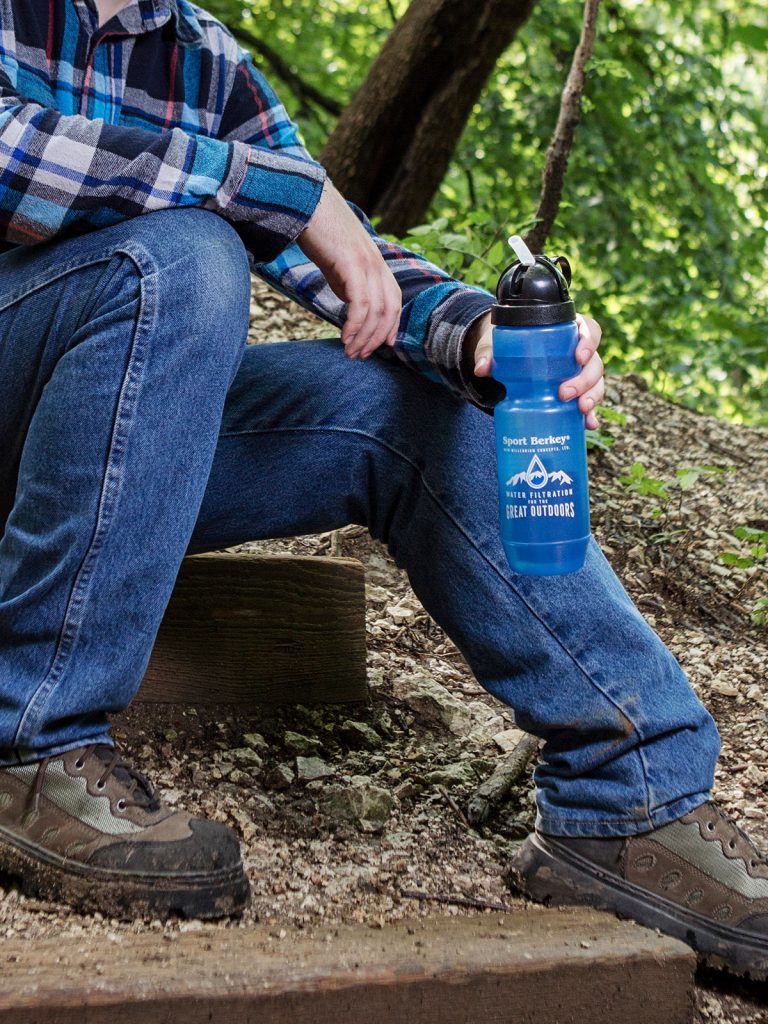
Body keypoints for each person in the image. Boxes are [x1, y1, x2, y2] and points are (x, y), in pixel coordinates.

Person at [0, 0, 765, 976]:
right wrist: (274, 190)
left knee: (410, 397)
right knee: (183, 255)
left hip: (112, 435)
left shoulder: (201, 56)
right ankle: (29, 744)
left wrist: (481, 332)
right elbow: (17, 160)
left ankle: (631, 797)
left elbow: (338, 249)